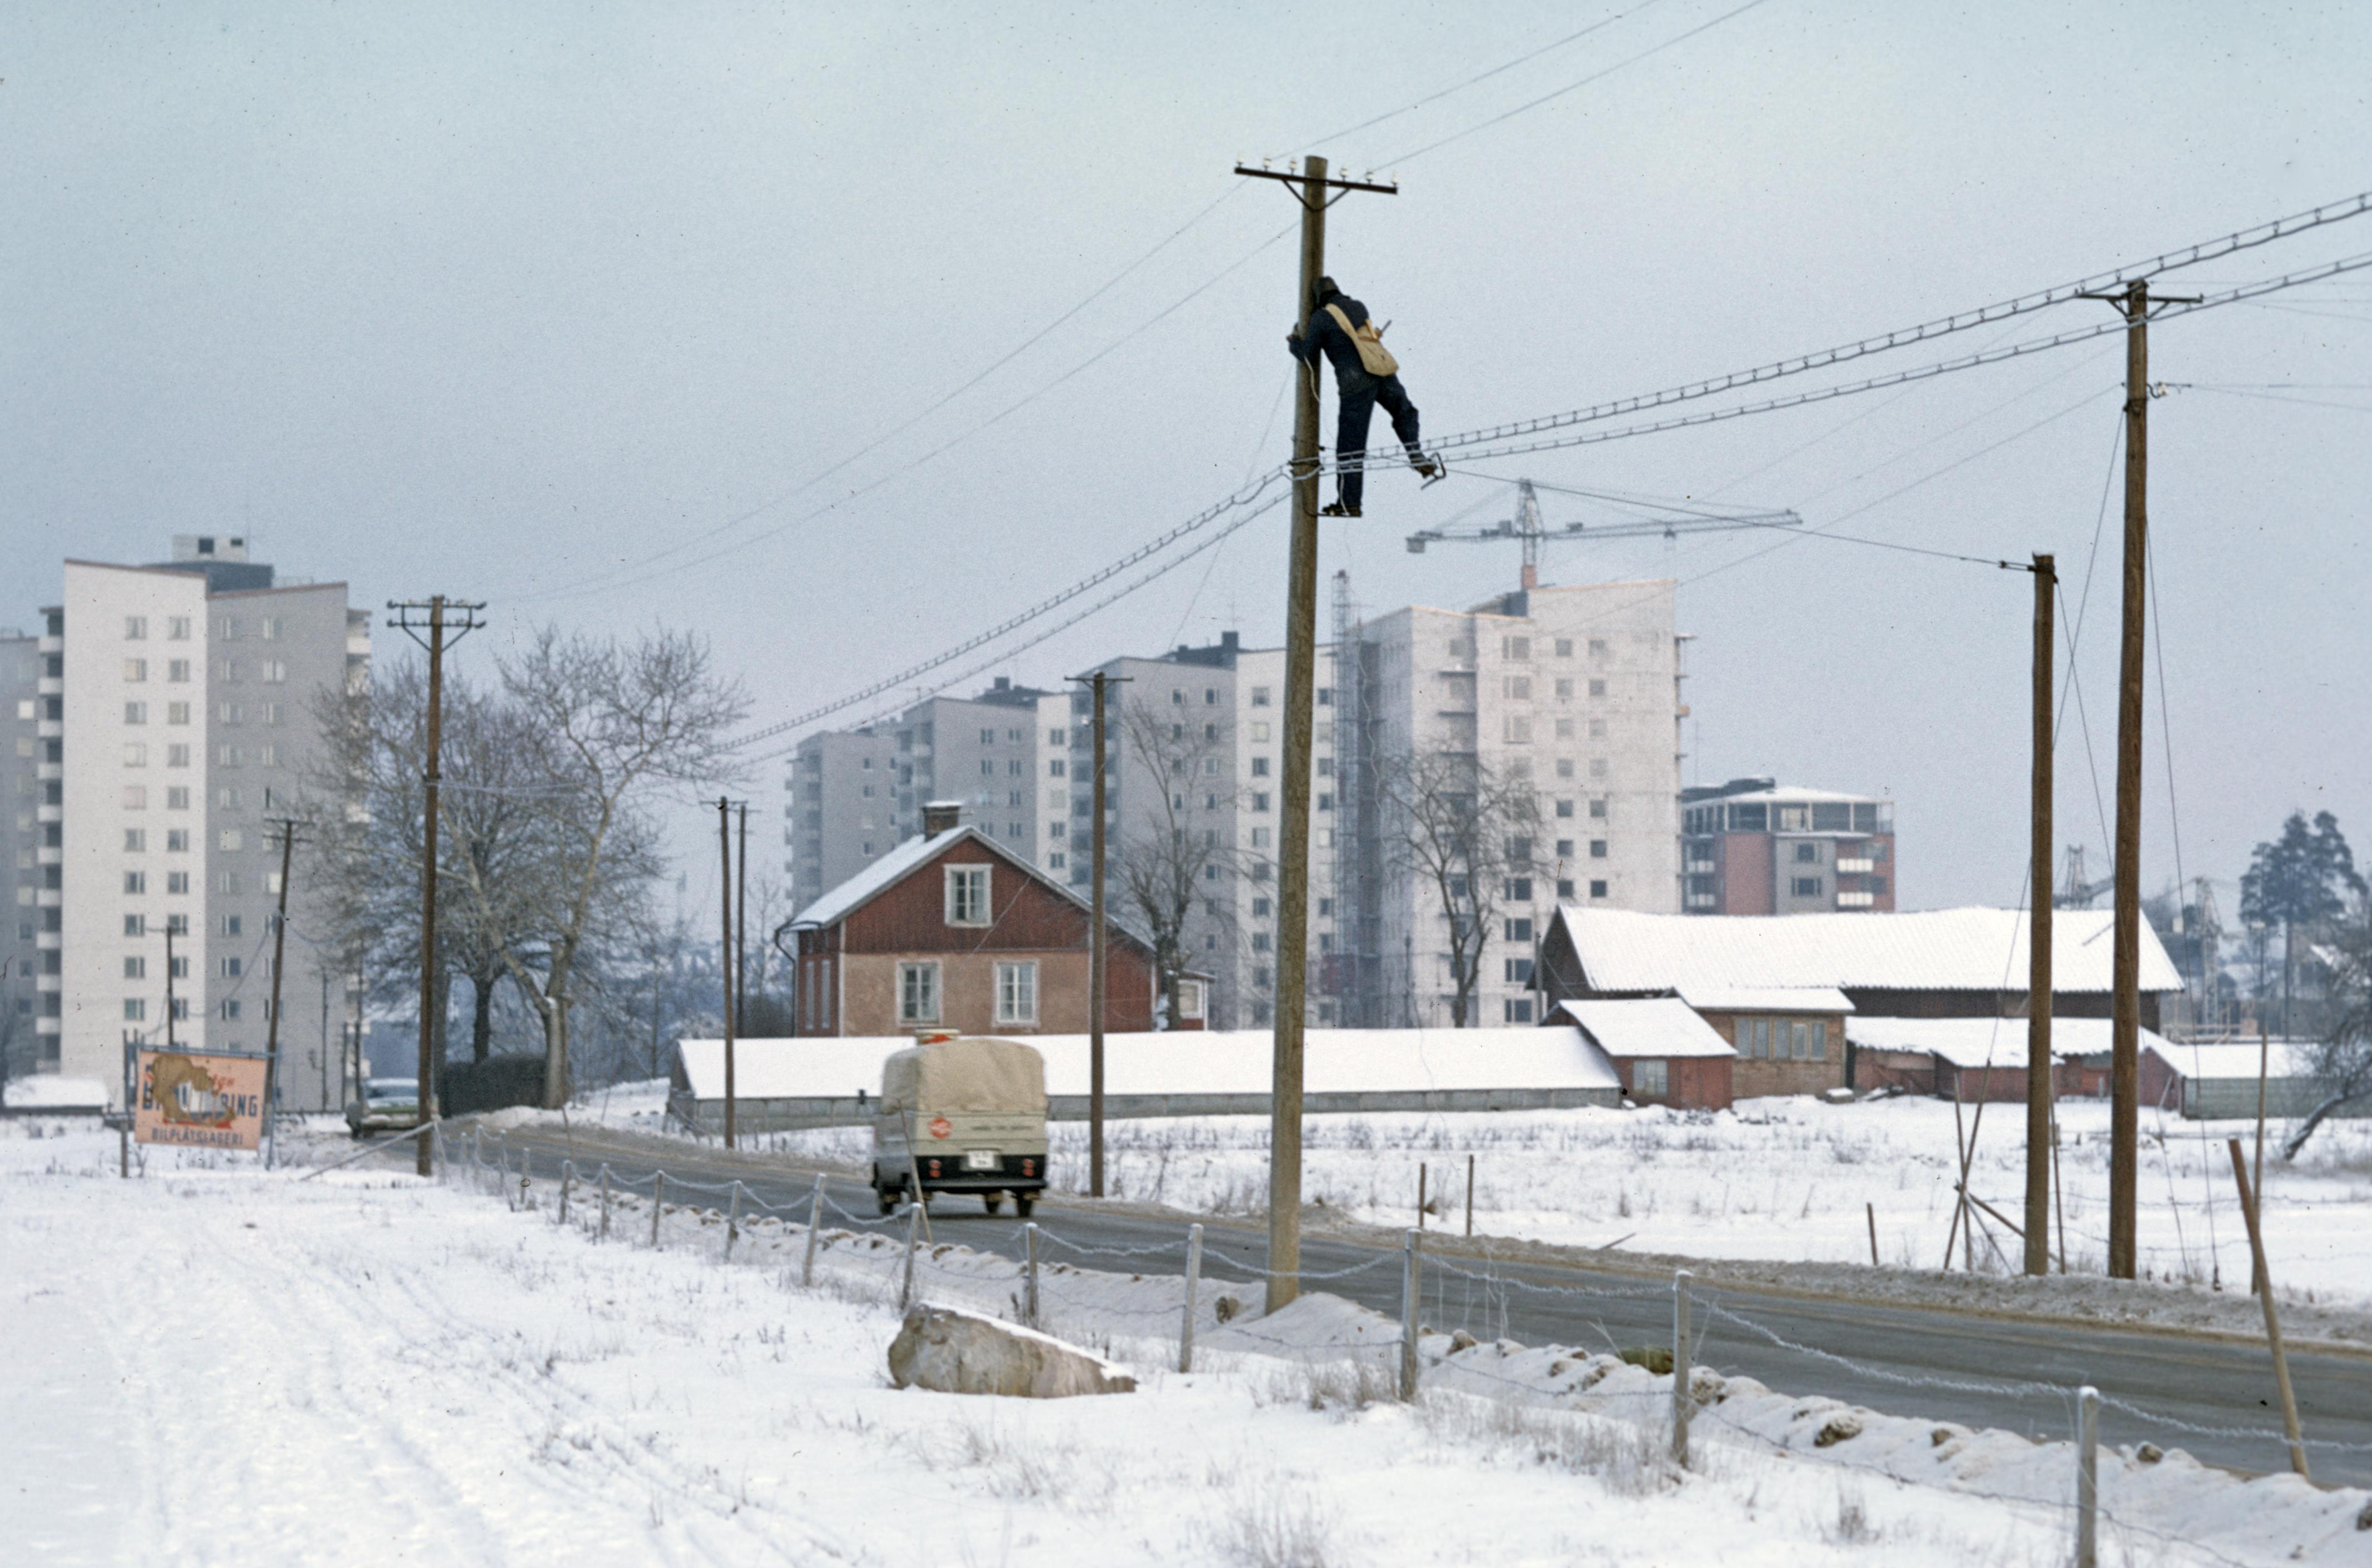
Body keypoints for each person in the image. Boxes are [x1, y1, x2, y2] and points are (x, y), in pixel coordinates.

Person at [1288, 276, 1440, 517]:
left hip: (1356, 383)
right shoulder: (1359, 307)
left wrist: (1295, 342)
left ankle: (1349, 503)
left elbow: (1308, 355)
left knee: (1351, 446)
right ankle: (1416, 454)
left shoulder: (1321, 317)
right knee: (1405, 411)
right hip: (1383, 373)